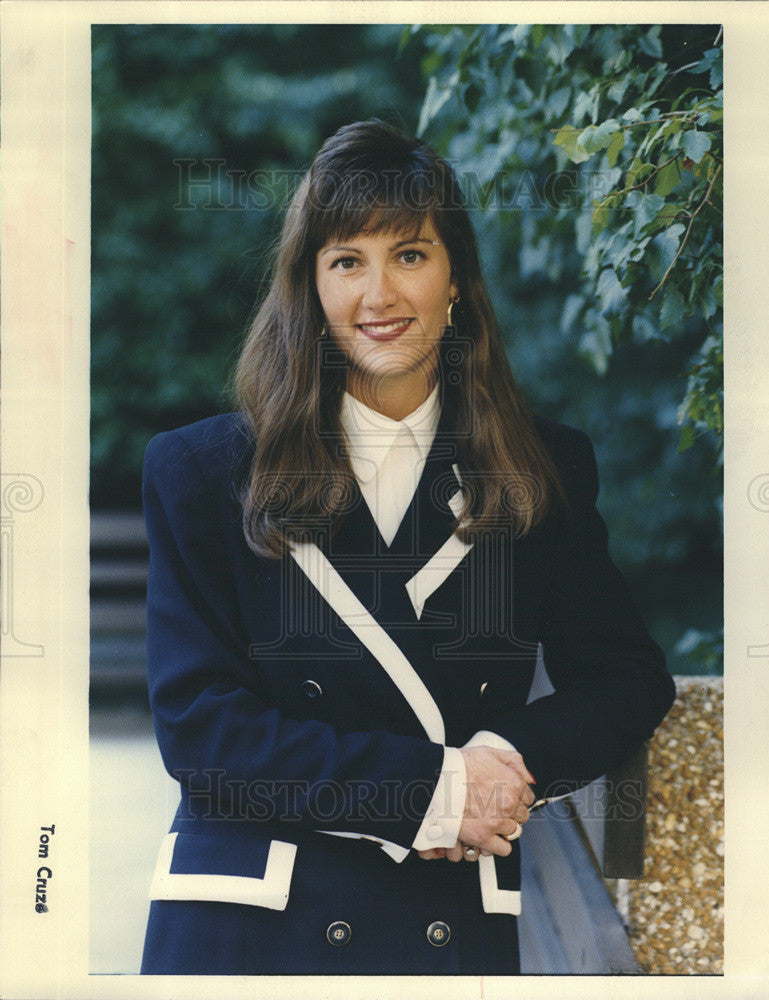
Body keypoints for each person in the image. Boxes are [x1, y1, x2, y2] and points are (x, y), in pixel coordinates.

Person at [139, 119, 675, 976]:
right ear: (309, 288)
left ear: (455, 278)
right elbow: (203, 731)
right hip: (249, 924)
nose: (378, 295)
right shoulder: (201, 472)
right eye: (346, 260)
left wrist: (506, 762)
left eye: (410, 255)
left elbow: (625, 678)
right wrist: (433, 791)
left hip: (444, 919)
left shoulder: (544, 466)